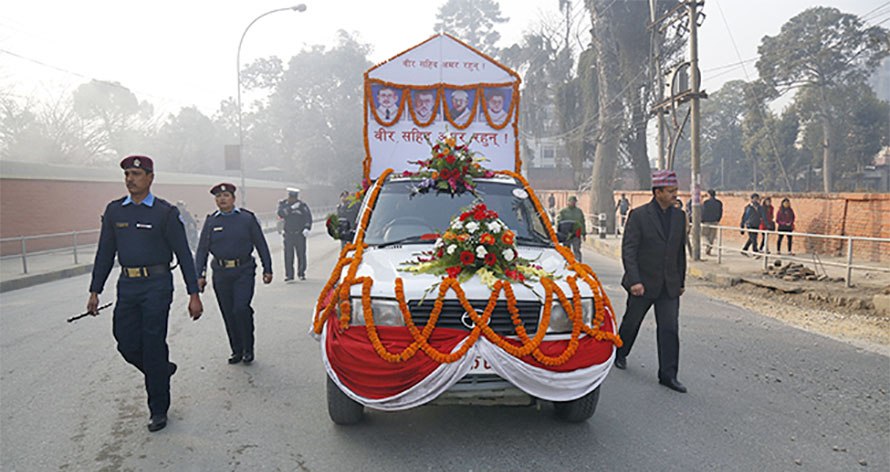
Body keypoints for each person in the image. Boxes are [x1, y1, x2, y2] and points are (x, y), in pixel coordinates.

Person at [86, 155, 203, 432]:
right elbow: (105, 253)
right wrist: (95, 290)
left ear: (150, 178)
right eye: (127, 174)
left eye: (136, 174)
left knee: (152, 344)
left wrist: (193, 293)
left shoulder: (164, 212)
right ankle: (161, 370)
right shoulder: (115, 212)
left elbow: (184, 254)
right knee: (125, 342)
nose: (130, 179)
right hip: (127, 285)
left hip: (157, 285)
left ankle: (158, 409)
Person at [614, 169, 687, 393]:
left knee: (669, 329)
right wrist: (635, 280)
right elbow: (629, 250)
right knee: (632, 322)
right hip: (643, 284)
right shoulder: (638, 216)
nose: (675, 194)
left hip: (669, 285)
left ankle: (668, 375)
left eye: (676, 190)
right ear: (657, 192)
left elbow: (679, 252)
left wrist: (680, 280)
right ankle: (620, 352)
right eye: (671, 191)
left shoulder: (679, 216)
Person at [194, 183, 273, 365]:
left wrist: (267, 268)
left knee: (241, 308)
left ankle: (248, 347)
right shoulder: (212, 221)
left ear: (233, 198)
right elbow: (202, 250)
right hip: (221, 272)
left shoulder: (246, 218)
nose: (222, 199)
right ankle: (236, 349)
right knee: (228, 312)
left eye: (226, 195)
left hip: (243, 270)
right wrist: (200, 274)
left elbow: (260, 243)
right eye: (218, 196)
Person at [278, 187, 312, 281]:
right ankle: (289, 275)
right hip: (288, 233)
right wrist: (291, 208)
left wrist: (307, 228)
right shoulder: (284, 204)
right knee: (288, 255)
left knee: (301, 254)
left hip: (299, 234)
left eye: (293, 197)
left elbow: (307, 217)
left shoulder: (302, 206)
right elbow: (281, 213)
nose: (291, 199)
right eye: (290, 197)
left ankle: (301, 273)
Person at [557, 195, 586, 262]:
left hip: (576, 234)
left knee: (576, 250)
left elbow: (582, 222)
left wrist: (584, 234)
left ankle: (578, 264)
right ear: (568, 202)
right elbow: (559, 223)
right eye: (571, 201)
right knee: (566, 250)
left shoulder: (579, 211)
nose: (573, 203)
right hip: (566, 235)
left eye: (574, 201)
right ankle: (566, 262)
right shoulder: (563, 212)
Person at [701, 189, 723, 255]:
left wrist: (702, 219)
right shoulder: (719, 203)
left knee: (704, 235)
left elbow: (703, 212)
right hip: (715, 221)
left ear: (709, 194)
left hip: (706, 221)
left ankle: (708, 246)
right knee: (712, 236)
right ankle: (709, 248)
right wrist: (718, 219)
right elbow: (720, 212)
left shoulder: (706, 202)